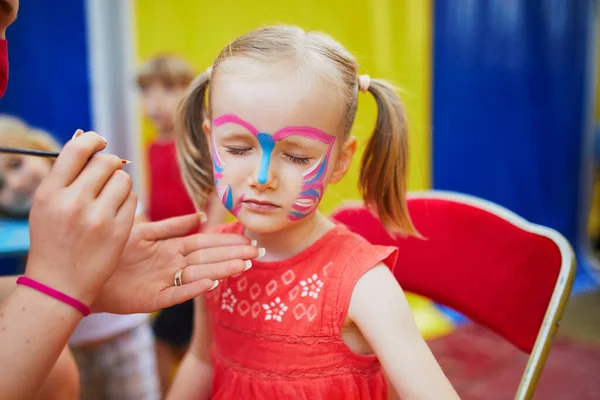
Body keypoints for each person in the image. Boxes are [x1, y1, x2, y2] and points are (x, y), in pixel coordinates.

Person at [167, 25, 459, 399]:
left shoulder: (363, 286)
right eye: (238, 149)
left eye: (297, 157)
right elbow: (202, 361)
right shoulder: (212, 258)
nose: (262, 177)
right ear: (210, 141)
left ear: (341, 161)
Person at [136, 54, 227, 393]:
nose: (154, 103)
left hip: (197, 257)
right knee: (169, 341)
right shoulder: (148, 147)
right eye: (147, 93)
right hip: (168, 256)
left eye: (168, 91)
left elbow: (219, 189)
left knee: (178, 342)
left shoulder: (196, 142)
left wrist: (207, 235)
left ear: (190, 94)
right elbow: (151, 199)